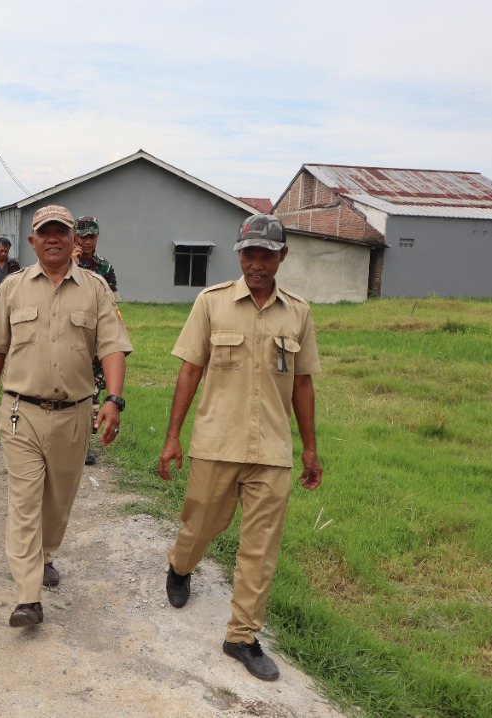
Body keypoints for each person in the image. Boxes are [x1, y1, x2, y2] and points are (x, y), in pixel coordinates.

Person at [157, 214, 323, 681]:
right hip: (216, 442)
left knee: (261, 547)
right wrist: (173, 437)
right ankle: (180, 564)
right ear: (239, 255)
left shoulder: (299, 312)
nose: (256, 263)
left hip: (272, 449)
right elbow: (189, 370)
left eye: (266, 254)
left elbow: (304, 383)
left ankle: (242, 635)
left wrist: (310, 449)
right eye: (248, 254)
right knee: (201, 524)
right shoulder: (211, 304)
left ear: (282, 257)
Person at [0, 205, 133, 628]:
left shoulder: (96, 288)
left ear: (73, 241)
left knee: (57, 502)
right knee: (24, 501)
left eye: (61, 233)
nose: (53, 239)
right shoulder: (12, 287)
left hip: (75, 413)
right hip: (20, 412)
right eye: (44, 232)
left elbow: (113, 347)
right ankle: (28, 598)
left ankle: (44, 554)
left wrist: (114, 399)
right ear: (32, 242)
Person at [72, 215, 120, 467]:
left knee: (91, 394)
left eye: (92, 236)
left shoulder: (105, 267)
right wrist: (73, 264)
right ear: (75, 236)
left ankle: (85, 445)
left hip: (95, 339)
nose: (87, 241)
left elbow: (113, 305)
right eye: (82, 236)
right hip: (70, 337)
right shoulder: (66, 262)